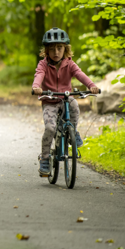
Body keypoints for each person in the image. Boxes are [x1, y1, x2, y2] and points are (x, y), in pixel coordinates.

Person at [32, 27, 99, 177]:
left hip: (65, 99)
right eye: (52, 48)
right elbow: (39, 75)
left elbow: (80, 74)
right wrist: (36, 87)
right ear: (46, 50)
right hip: (49, 100)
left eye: (59, 48)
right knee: (50, 128)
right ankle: (45, 158)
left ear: (65, 49)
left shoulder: (70, 64)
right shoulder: (43, 64)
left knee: (74, 106)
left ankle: (73, 131)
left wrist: (91, 86)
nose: (56, 52)